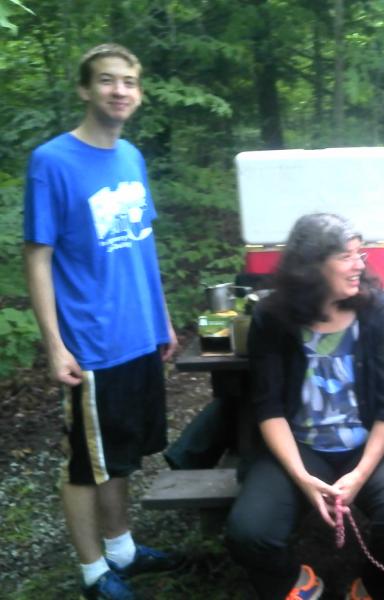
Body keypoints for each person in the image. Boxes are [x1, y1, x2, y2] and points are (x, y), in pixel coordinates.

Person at [23, 44, 181, 599]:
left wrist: (162, 319)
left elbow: (142, 245)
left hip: (137, 334)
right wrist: (54, 344)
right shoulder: (52, 162)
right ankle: (93, 572)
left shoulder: (131, 157)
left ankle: (123, 550)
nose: (120, 91)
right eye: (108, 80)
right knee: (84, 464)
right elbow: (37, 257)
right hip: (89, 342)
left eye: (129, 82)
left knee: (120, 452)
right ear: (85, 90)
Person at [226, 213, 384, 600]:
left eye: (359, 254)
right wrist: (302, 477)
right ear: (311, 266)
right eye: (346, 256)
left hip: (372, 443)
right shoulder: (272, 316)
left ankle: (372, 588)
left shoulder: (379, 310)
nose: (360, 265)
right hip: (301, 446)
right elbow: (268, 407)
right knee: (249, 533)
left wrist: (361, 474)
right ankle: (296, 583)